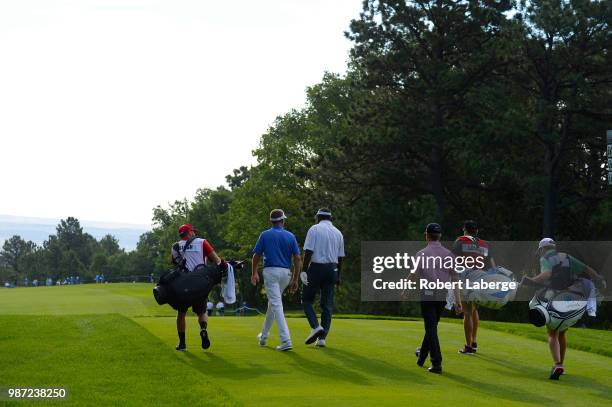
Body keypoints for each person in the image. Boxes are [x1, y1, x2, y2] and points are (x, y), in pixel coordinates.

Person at [524, 238, 606, 380]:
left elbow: (547, 275)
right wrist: (599, 279)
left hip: (554, 297)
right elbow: (587, 269)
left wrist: (530, 281)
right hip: (570, 298)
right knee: (561, 332)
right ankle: (560, 363)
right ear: (553, 247)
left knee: (551, 333)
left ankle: (557, 364)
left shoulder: (545, 258)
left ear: (542, 249)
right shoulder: (566, 256)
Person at [414, 223, 463, 374]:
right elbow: (455, 278)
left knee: (430, 327)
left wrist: (406, 288)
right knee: (432, 326)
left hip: (428, 293)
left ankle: (436, 363)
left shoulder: (422, 253)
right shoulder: (449, 255)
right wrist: (458, 301)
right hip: (442, 293)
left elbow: (414, 273)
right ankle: (422, 357)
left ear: (426, 235)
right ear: (440, 236)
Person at [171, 223, 227, 351]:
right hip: (199, 284)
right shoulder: (202, 242)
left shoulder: (175, 246)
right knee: (202, 312)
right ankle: (203, 329)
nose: (195, 234)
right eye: (193, 232)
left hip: (184, 284)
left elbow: (174, 262)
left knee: (181, 314)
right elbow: (218, 261)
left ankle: (182, 344)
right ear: (189, 232)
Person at [251, 209, 301, 351]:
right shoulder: (290, 236)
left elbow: (256, 256)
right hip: (286, 274)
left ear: (271, 221)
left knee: (276, 304)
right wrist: (296, 279)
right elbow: (297, 258)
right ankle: (263, 337)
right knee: (272, 305)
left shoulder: (265, 235)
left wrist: (254, 272)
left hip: (271, 272)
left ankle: (286, 340)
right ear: (283, 220)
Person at [301, 208, 344, 348]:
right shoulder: (338, 233)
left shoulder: (314, 229)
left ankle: (315, 327)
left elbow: (308, 252)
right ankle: (322, 339)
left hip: (316, 268)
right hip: (332, 269)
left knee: (306, 300)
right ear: (330, 218)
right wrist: (338, 276)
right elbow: (340, 258)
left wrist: (303, 270)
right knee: (327, 305)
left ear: (318, 217)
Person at [452, 220, 495, 355]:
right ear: (476, 231)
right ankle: (474, 340)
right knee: (474, 309)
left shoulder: (461, 241)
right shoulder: (484, 244)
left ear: (465, 230)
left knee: (467, 312)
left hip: (466, 279)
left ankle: (468, 346)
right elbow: (492, 265)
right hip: (481, 279)